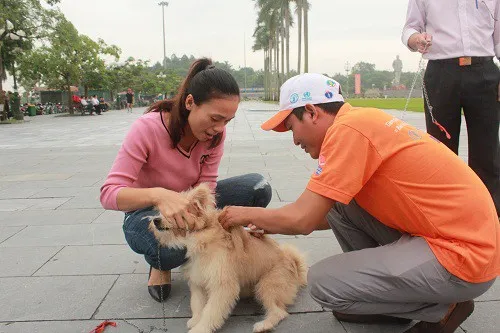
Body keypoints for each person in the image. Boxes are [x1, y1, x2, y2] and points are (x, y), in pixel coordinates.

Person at [220, 73, 499, 333]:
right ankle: (388, 298)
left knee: (323, 284)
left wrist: (242, 214)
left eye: (292, 127)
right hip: (461, 242)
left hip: (462, 258)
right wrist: (270, 225)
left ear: (312, 112)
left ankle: (442, 308)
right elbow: (322, 215)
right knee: (341, 204)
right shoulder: (360, 121)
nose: (295, 141)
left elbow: (302, 220)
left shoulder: (347, 132)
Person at [100, 58, 272, 303]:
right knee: (169, 251)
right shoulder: (147, 129)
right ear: (190, 102)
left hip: (191, 205)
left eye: (227, 121)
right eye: (215, 118)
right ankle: (161, 265)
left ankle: (209, 254)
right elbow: (108, 194)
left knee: (258, 187)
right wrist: (160, 196)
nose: (220, 128)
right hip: (146, 212)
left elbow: (207, 186)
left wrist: (214, 226)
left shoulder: (215, 136)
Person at [402, 0, 500, 217]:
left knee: (488, 151)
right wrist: (416, 38)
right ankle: (444, 215)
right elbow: (410, 28)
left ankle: (488, 215)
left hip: (484, 71)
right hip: (441, 72)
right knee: (440, 150)